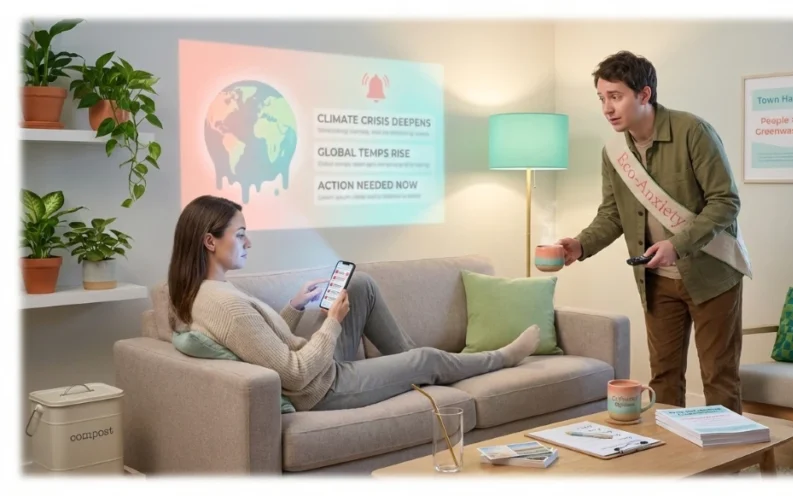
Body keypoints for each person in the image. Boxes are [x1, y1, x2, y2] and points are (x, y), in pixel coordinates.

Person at [167, 195, 540, 412]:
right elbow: (294, 374)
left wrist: (295, 308)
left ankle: (410, 365)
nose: (249, 244)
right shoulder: (225, 306)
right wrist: (331, 322)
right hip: (321, 388)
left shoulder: (204, 292)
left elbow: (260, 342)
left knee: (358, 284)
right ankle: (500, 358)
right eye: (241, 235)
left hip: (317, 369)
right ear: (210, 242)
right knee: (428, 360)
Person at [555, 51, 752, 413]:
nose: (607, 108)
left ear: (644, 94)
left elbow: (725, 202)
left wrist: (677, 246)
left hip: (712, 275)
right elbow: (612, 214)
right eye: (602, 98)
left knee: (719, 378)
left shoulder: (693, 131)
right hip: (655, 280)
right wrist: (580, 245)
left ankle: (725, 467)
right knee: (662, 378)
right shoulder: (614, 152)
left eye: (616, 96)